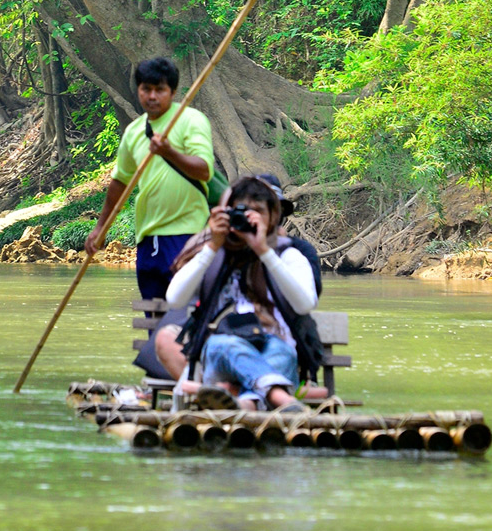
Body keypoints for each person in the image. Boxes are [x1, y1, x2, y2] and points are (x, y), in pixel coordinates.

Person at [162, 174, 326, 410]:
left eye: (258, 211)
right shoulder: (211, 251)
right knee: (224, 344)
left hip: (276, 350)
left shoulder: (288, 254)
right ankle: (279, 397)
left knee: (281, 351)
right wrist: (212, 246)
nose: (249, 218)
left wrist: (263, 251)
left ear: (274, 216)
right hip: (220, 355)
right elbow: (175, 298)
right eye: (240, 210)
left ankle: (245, 403)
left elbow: (304, 304)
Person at [89, 57, 214, 302]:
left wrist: (169, 152)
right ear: (138, 90)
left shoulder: (190, 120)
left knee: (187, 314)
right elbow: (120, 182)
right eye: (146, 89)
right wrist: (100, 227)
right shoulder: (134, 132)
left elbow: (203, 171)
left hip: (187, 234)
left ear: (173, 91)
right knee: (154, 315)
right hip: (147, 237)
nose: (152, 96)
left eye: (160, 90)